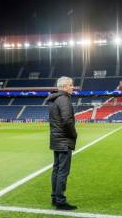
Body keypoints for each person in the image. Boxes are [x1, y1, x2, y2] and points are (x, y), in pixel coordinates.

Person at [46, 76, 78, 210]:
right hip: (64, 139)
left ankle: (55, 197)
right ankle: (60, 201)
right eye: (71, 85)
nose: (73, 87)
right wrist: (74, 134)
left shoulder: (54, 99)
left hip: (56, 139)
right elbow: (67, 120)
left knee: (56, 169)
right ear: (64, 86)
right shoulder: (64, 99)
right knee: (62, 171)